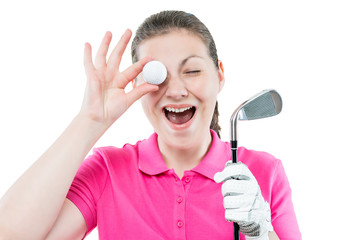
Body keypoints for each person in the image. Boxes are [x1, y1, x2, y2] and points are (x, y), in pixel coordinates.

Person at [0, 10, 301, 240]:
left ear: (219, 75)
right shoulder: (108, 170)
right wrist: (90, 120)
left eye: (192, 70)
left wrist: (261, 233)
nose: (177, 90)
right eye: (158, 76)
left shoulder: (264, 171)